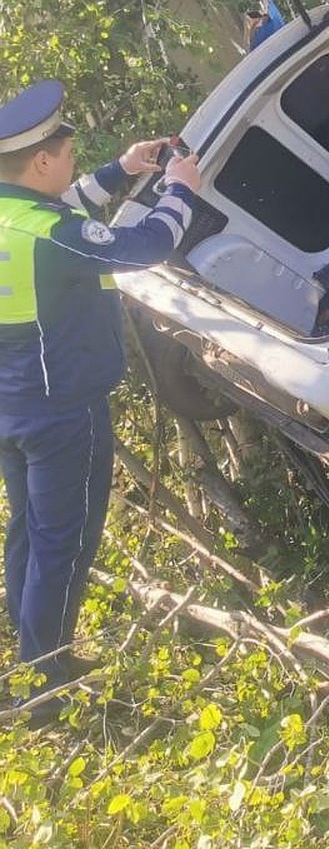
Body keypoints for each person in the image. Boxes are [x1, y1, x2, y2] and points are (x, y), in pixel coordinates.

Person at [0, 79, 200, 702]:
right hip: (63, 414)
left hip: (13, 404)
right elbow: (147, 245)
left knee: (30, 531)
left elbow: (64, 214)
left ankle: (29, 647)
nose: (73, 163)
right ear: (40, 162)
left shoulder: (16, 216)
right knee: (64, 544)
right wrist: (179, 189)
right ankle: (45, 686)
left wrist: (120, 170)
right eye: (66, 155)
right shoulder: (50, 235)